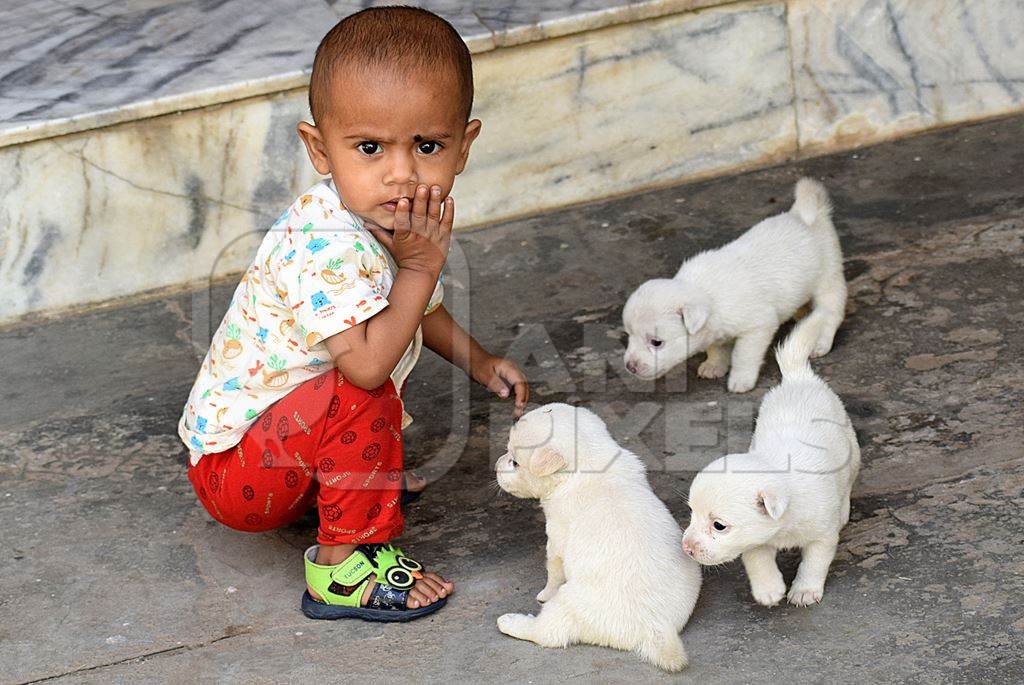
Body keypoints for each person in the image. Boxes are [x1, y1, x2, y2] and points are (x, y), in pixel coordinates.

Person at [178, 6, 528, 622]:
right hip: (238, 477)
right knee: (362, 390)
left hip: (283, 452)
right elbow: (367, 366)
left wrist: (479, 361)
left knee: (365, 380)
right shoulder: (327, 242)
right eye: (369, 147)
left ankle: (349, 485)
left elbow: (416, 309)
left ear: (463, 146)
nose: (401, 172)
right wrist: (419, 270)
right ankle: (340, 570)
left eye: (427, 145)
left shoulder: (380, 213)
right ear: (319, 148)